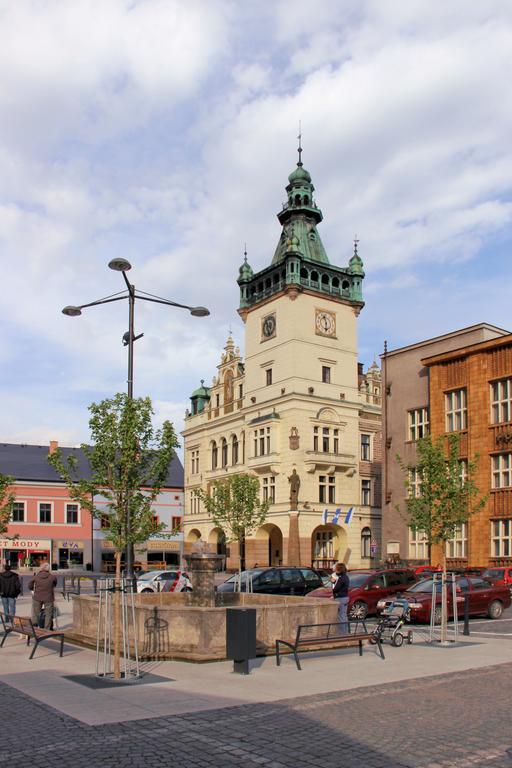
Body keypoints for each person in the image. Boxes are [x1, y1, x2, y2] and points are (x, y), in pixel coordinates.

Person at [28, 562, 57, 630]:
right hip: (49, 597)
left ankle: (35, 628)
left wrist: (32, 589)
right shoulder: (52, 577)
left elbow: (30, 585)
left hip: (37, 597)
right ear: (48, 569)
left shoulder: (36, 576)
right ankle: (47, 629)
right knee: (48, 614)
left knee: (35, 613)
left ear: (41, 568)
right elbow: (55, 584)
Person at [332, 562, 350, 635]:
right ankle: (346, 632)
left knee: (341, 617)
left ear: (339, 569)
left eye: (336, 569)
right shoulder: (346, 577)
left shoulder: (341, 578)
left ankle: (341, 633)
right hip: (345, 597)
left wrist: (333, 582)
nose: (335, 570)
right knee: (344, 616)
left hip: (340, 598)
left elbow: (335, 589)